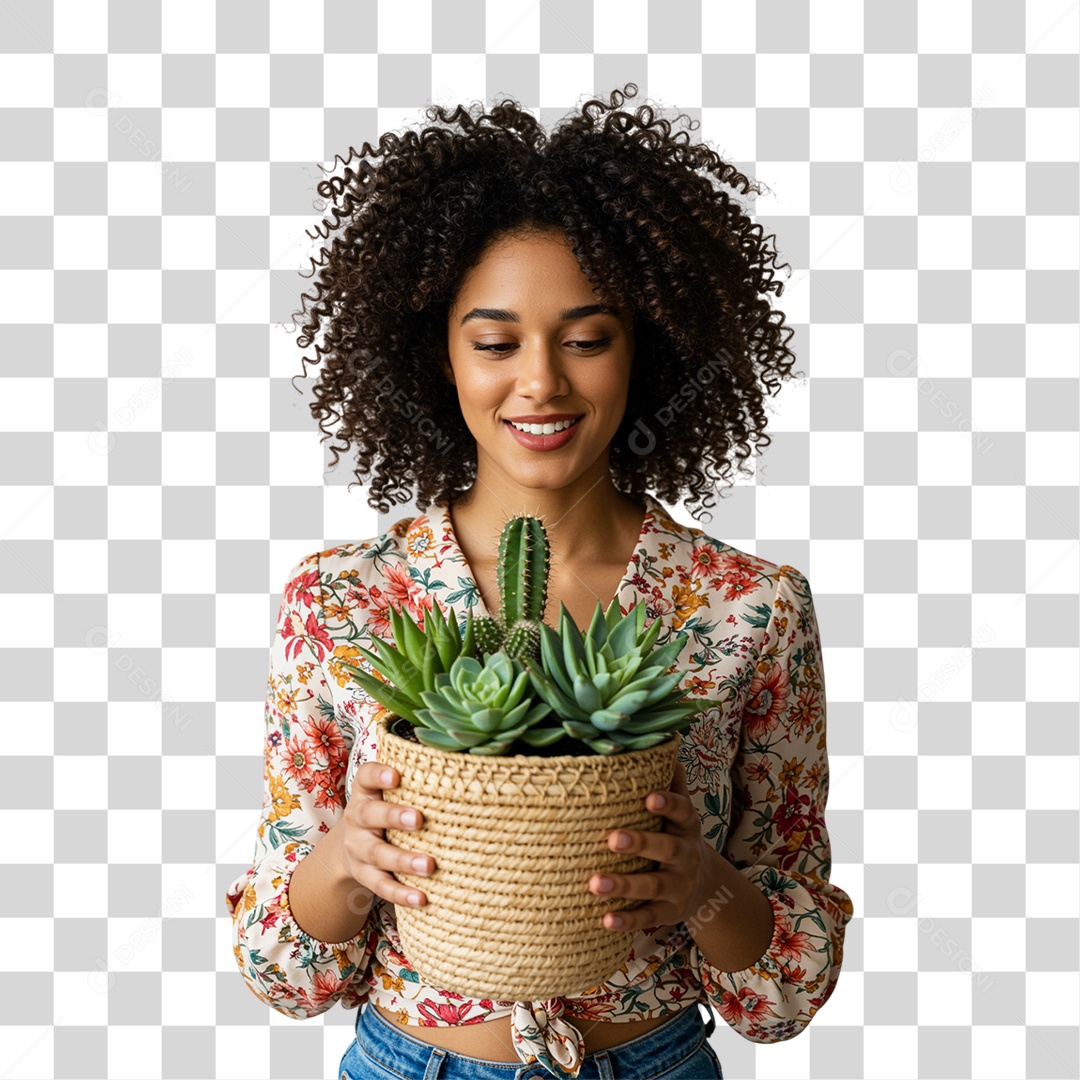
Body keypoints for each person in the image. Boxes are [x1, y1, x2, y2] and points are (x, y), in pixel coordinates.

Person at [224, 84, 854, 1080]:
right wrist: (347, 860)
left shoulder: (749, 607)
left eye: (587, 338)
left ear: (647, 346)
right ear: (438, 351)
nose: (542, 383)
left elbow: (785, 988)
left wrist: (702, 885)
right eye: (495, 341)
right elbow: (285, 975)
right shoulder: (341, 601)